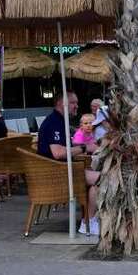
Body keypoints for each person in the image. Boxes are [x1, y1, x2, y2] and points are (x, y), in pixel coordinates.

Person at [37, 92, 101, 235]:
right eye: (73, 103)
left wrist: (80, 145)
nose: (76, 106)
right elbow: (58, 153)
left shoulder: (59, 121)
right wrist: (85, 148)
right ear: (61, 104)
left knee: (96, 175)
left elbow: (64, 146)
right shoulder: (54, 122)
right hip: (57, 175)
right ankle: (88, 222)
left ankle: (90, 220)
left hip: (63, 171)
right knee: (102, 179)